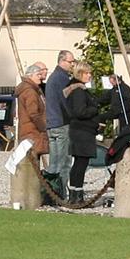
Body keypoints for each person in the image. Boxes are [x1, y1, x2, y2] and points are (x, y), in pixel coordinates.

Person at [62, 61, 101, 204]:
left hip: (81, 130)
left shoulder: (78, 89)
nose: (90, 75)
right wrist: (95, 109)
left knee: (80, 163)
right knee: (80, 164)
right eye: (87, 73)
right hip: (81, 131)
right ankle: (76, 195)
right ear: (80, 74)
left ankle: (76, 193)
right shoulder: (78, 91)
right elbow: (79, 111)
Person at [44, 49, 74, 193]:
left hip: (51, 123)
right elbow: (66, 102)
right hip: (61, 123)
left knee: (53, 163)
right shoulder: (62, 78)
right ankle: (60, 192)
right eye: (70, 62)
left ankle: (51, 191)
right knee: (64, 162)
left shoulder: (52, 77)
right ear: (62, 61)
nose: (72, 65)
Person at [15, 62, 49, 163]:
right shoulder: (30, 92)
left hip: (28, 130)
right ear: (30, 76)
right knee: (33, 163)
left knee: (32, 162)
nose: (40, 77)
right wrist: (43, 127)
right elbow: (33, 113)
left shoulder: (30, 89)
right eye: (38, 75)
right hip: (33, 131)